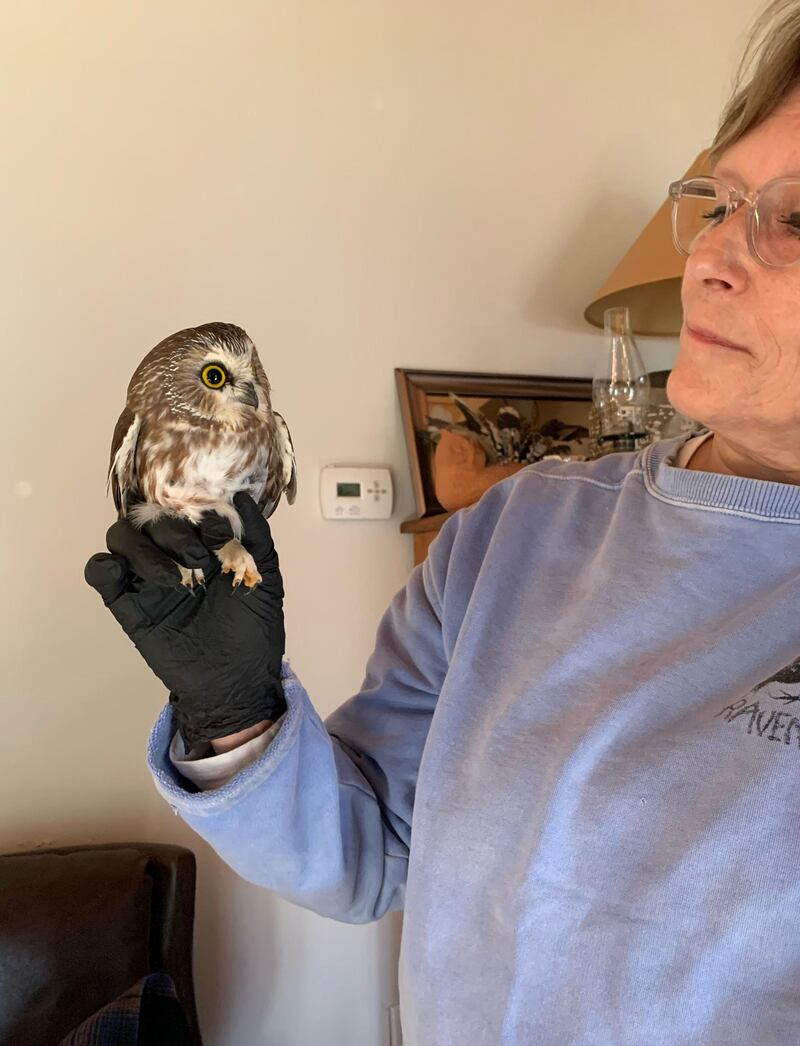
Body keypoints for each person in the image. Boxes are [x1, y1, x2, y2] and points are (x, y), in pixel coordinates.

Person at [84, 3, 800, 1042]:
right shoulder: (515, 530)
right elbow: (371, 849)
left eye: (796, 217)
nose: (708, 258)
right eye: (720, 200)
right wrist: (232, 714)